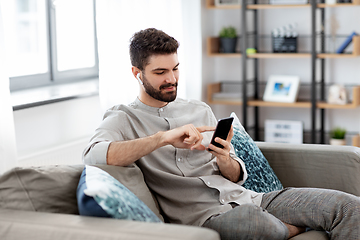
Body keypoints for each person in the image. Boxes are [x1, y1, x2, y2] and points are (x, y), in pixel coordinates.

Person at [83, 28, 360, 240]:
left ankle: (300, 224)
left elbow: (236, 174)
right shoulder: (123, 117)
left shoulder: (199, 109)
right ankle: (301, 226)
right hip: (204, 217)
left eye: (175, 68)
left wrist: (227, 159)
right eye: (160, 72)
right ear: (137, 73)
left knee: (348, 206)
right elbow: (93, 155)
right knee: (258, 225)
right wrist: (163, 138)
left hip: (253, 197)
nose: (172, 79)